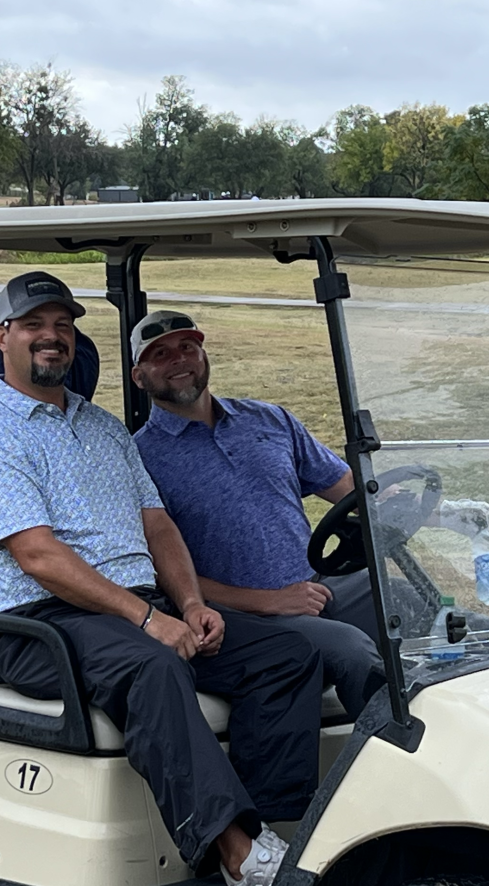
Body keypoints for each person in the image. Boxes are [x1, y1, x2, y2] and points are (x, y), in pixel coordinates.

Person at [0, 272, 323, 886]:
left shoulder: (103, 430)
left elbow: (158, 526)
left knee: (286, 656)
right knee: (153, 668)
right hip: (45, 626)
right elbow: (39, 557)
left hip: (138, 608)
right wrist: (149, 621)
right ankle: (236, 855)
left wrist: (194, 605)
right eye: (35, 325)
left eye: (63, 327)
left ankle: (274, 831)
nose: (52, 338)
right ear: (2, 336)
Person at [129, 309, 386, 721]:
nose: (178, 360)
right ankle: (389, 764)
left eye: (187, 347)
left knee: (414, 606)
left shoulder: (268, 419)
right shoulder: (138, 456)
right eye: (160, 354)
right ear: (138, 376)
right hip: (244, 617)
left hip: (317, 586)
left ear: (204, 356)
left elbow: (352, 492)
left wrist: (423, 507)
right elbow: (160, 571)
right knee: (352, 651)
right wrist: (271, 602)